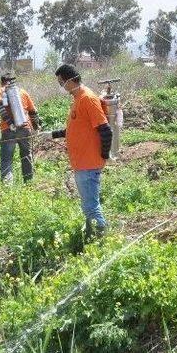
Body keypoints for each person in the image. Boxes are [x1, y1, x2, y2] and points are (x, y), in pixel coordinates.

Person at [40, 64, 112, 237]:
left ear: (71, 80)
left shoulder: (87, 98)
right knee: (88, 205)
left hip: (88, 163)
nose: (61, 86)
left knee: (91, 207)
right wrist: (52, 134)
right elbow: (77, 129)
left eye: (61, 82)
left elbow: (105, 130)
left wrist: (102, 156)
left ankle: (100, 238)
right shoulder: (78, 99)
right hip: (82, 162)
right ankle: (93, 234)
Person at [0, 72, 42, 183]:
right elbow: (33, 111)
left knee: (7, 159)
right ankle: (28, 183)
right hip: (25, 129)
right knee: (26, 156)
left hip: (8, 130)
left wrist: (10, 123)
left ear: (1, 82)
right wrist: (36, 127)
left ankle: (7, 186)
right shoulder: (22, 92)